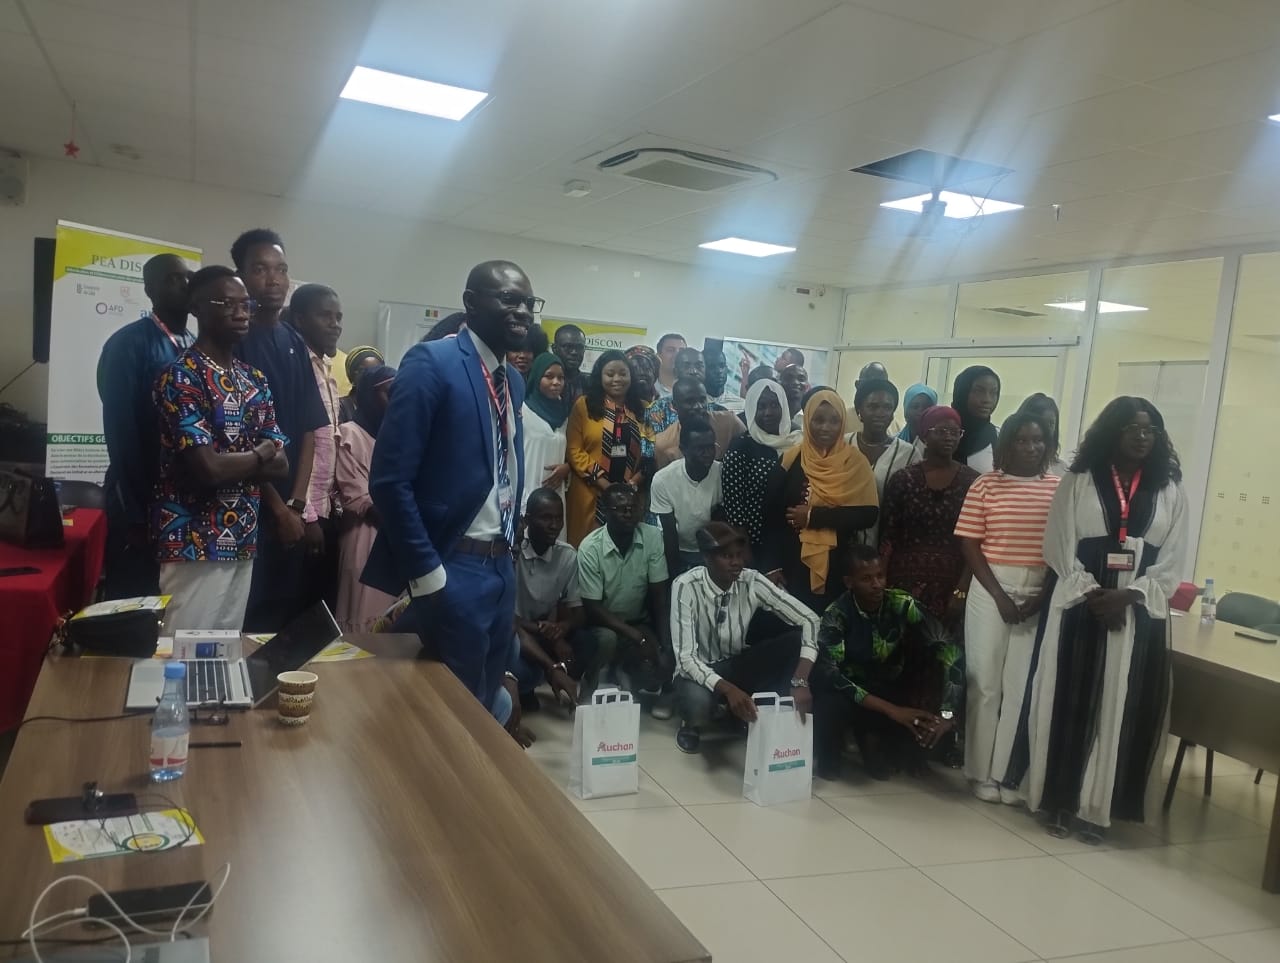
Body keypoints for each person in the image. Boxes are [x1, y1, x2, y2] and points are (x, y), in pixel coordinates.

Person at [1007, 398, 1187, 842]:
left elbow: (1172, 560)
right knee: (1069, 702)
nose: (1142, 436)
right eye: (1132, 428)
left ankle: (1098, 810)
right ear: (1112, 431)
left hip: (1136, 613)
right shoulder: (1079, 480)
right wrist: (1093, 594)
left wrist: (1127, 595)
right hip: (1078, 606)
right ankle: (1059, 801)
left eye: (1150, 429)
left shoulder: (1169, 488)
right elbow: (1058, 546)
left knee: (1119, 709)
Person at [363, 260, 534, 714]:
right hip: (453, 563)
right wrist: (427, 571)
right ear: (470, 303)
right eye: (509, 299)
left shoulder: (513, 381)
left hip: (502, 564)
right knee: (451, 709)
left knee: (486, 698)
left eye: (528, 302)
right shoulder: (432, 363)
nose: (522, 311)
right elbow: (389, 480)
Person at [152, 267, 288, 631]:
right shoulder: (181, 375)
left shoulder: (254, 379)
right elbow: (208, 469)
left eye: (246, 305)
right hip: (193, 540)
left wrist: (239, 461)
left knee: (224, 650)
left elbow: (282, 465)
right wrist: (259, 454)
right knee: (183, 648)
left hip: (243, 536)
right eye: (227, 304)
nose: (241, 313)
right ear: (196, 308)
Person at [954, 412, 1060, 804]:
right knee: (985, 683)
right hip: (990, 586)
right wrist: (999, 595)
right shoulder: (985, 485)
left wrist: (1041, 596)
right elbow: (970, 544)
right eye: (1022, 440)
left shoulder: (1058, 489)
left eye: (1038, 440)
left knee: (1020, 686)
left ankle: (1006, 775)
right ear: (1007, 444)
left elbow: (1063, 550)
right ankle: (979, 772)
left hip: (1037, 589)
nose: (1031, 447)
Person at [230, 228, 327, 632]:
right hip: (246, 508)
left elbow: (308, 429)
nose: (274, 280)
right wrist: (276, 508)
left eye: (281, 269)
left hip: (291, 509)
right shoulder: (233, 341)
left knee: (281, 619)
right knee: (244, 619)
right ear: (240, 276)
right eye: (261, 269)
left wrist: (298, 505)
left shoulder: (293, 341)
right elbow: (235, 438)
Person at [811, 545, 964, 780]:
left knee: (898, 760)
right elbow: (834, 677)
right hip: (845, 692)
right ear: (849, 582)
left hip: (886, 686)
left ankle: (874, 741)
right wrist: (893, 711)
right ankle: (835, 748)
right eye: (866, 579)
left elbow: (951, 650)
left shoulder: (902, 603)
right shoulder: (835, 615)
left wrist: (947, 712)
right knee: (829, 758)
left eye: (880, 576)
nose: (877, 584)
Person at [671, 522, 819, 753]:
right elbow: (686, 660)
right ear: (707, 558)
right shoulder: (685, 585)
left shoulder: (752, 580)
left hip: (736, 664)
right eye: (727, 556)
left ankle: (771, 718)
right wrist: (729, 690)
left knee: (793, 642)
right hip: (697, 671)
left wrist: (800, 680)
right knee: (698, 703)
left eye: (739, 555)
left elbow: (810, 619)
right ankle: (692, 724)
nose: (736, 562)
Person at [97, 253, 194, 599]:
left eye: (187, 276)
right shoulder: (128, 344)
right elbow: (120, 431)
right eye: (172, 278)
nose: (184, 284)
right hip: (139, 498)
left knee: (177, 601)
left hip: (184, 500)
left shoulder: (196, 345)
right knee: (133, 599)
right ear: (150, 289)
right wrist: (136, 514)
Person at [763, 388, 878, 614]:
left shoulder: (855, 462)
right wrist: (772, 565)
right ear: (807, 420)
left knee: (832, 623)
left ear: (843, 423)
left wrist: (813, 517)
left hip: (839, 562)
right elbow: (770, 515)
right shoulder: (791, 459)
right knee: (794, 622)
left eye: (834, 421)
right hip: (791, 561)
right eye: (818, 420)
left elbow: (868, 514)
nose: (826, 427)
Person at [577, 484, 673, 716]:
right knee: (608, 640)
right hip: (601, 624)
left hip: (638, 621)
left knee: (659, 663)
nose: (629, 514)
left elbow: (659, 595)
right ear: (605, 512)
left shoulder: (652, 537)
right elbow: (592, 607)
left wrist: (664, 645)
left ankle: (623, 672)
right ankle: (590, 681)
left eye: (633, 508)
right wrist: (636, 637)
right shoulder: (590, 547)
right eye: (621, 509)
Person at [881, 406, 979, 622]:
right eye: (941, 431)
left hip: (953, 585)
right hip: (902, 585)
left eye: (955, 432)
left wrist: (962, 590)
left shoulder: (973, 483)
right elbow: (888, 537)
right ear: (925, 434)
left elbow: (975, 541)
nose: (949, 437)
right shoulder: (902, 480)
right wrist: (882, 584)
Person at [511, 488, 595, 710]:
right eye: (546, 518)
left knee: (587, 641)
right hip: (518, 633)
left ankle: (559, 679)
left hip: (544, 631)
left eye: (559, 518)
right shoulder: (513, 554)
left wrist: (562, 628)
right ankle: (532, 683)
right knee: (521, 668)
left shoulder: (567, 555)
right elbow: (509, 621)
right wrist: (546, 632)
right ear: (528, 521)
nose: (554, 525)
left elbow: (578, 613)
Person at [291, 283, 345, 610]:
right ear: (300, 319)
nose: (335, 324)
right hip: (301, 514)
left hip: (327, 511)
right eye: (325, 316)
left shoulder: (326, 371)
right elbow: (298, 443)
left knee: (320, 607)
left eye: (338, 317)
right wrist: (308, 516)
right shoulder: (296, 366)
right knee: (294, 606)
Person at [564, 349, 653, 547]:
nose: (617, 379)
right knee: (586, 548)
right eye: (610, 374)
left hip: (630, 497)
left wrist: (632, 484)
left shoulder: (644, 409)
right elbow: (574, 450)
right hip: (589, 492)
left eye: (623, 374)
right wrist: (605, 485)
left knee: (625, 551)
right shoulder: (584, 405)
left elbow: (650, 451)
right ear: (600, 376)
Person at [334, 364, 398, 633]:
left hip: (400, 538)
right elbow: (357, 494)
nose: (395, 400)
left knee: (396, 622)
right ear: (369, 396)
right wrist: (404, 520)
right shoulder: (350, 434)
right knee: (364, 618)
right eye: (388, 393)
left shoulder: (399, 436)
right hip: (366, 535)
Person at [721, 379, 799, 559]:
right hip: (756, 543)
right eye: (761, 406)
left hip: (793, 538)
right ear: (751, 409)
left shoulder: (797, 441)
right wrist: (744, 549)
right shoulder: (741, 447)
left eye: (774, 405)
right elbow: (734, 507)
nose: (768, 412)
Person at [650, 414, 723, 576]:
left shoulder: (722, 473)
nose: (708, 453)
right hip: (679, 549)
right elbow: (669, 533)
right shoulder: (663, 479)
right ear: (683, 450)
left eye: (711, 447)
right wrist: (675, 574)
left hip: (714, 548)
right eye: (700, 448)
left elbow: (723, 525)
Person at [849, 378, 919, 546]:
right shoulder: (843, 445)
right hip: (842, 545)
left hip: (887, 548)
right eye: (873, 406)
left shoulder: (908, 454)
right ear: (859, 410)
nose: (880, 413)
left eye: (887, 407)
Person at [521, 352, 571, 522]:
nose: (556, 382)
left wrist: (567, 468)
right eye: (549, 376)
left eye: (561, 378)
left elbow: (570, 453)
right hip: (527, 491)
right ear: (536, 377)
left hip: (555, 494)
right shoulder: (522, 411)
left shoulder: (564, 415)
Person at [652, 377, 744, 470]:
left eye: (702, 400)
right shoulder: (663, 444)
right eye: (690, 402)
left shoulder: (730, 423)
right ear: (674, 406)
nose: (698, 406)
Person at [645, 347, 724, 439]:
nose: (694, 371)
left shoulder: (719, 411)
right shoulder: (657, 409)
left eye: (699, 366)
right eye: (686, 366)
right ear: (676, 372)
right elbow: (652, 446)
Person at [951, 365, 1001, 473]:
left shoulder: (1000, 437)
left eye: (993, 393)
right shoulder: (935, 432)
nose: (987, 400)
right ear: (962, 392)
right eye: (979, 391)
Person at [845, 361, 901, 437]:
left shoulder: (895, 425)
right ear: (857, 385)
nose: (875, 390)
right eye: (869, 385)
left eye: (881, 385)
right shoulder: (843, 418)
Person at [1018, 393, 1068, 475]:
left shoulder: (1062, 469)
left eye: (1051, 423)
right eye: (1041, 423)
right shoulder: (1007, 468)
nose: (1047, 430)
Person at [338, 345, 383, 424]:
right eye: (367, 372)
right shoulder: (340, 407)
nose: (374, 377)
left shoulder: (384, 404)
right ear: (353, 375)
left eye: (378, 371)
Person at [551, 323, 587, 407]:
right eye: (568, 346)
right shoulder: (543, 382)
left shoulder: (591, 386)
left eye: (579, 347)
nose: (574, 352)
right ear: (554, 349)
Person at [898, 383, 938, 455]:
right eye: (915, 406)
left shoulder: (941, 445)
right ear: (906, 411)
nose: (921, 411)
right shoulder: (892, 444)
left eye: (927, 407)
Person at [703, 345, 745, 414]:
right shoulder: (694, 403)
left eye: (722, 366)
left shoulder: (741, 405)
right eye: (712, 367)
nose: (719, 371)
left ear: (726, 368)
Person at [625, 345, 661, 409]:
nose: (641, 372)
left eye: (646, 368)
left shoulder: (668, 405)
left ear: (654, 373)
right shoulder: (617, 406)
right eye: (634, 369)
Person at [654, 332, 686, 397]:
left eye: (682, 351)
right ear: (658, 356)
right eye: (670, 350)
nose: (677, 355)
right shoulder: (649, 389)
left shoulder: (694, 391)